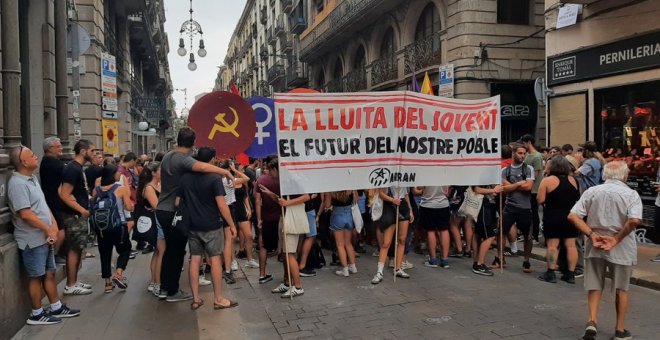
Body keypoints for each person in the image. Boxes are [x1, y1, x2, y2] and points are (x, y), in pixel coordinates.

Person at [155, 127, 231, 302]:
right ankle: (171, 290)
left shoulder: (167, 156)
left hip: (162, 209)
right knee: (176, 252)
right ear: (193, 142)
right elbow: (203, 167)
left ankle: (165, 288)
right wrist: (224, 171)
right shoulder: (183, 159)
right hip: (174, 212)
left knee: (170, 251)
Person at [568, 161, 642, 340]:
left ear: (604, 175)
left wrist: (591, 234)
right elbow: (634, 220)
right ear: (625, 176)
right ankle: (619, 329)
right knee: (621, 288)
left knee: (594, 284)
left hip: (596, 243)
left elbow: (573, 215)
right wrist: (616, 238)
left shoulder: (592, 191)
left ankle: (592, 321)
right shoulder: (631, 194)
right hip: (621, 246)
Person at [8, 145, 80, 325]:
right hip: (32, 239)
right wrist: (47, 228)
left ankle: (56, 306)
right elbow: (25, 214)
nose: (36, 157)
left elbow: (43, 206)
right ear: (23, 161)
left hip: (45, 236)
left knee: (49, 272)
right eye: (32, 155)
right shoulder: (17, 184)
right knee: (36, 276)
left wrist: (53, 225)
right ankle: (37, 313)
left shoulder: (32, 179)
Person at [178, 147, 238, 310]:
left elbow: (178, 202)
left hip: (192, 225)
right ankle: (218, 298)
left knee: (195, 259)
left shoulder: (185, 178)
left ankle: (196, 299)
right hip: (211, 224)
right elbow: (221, 204)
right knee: (215, 259)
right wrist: (232, 224)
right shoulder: (214, 178)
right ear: (211, 159)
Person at [58, 139, 95, 295]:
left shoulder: (77, 168)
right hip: (74, 216)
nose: (94, 154)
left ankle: (74, 281)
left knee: (78, 248)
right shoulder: (73, 169)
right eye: (92, 151)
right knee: (74, 249)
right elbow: (64, 193)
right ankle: (70, 284)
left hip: (77, 214)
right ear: (83, 151)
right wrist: (81, 210)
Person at [537, 156, 581, 284]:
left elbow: (540, 200)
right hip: (570, 216)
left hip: (553, 216)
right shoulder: (574, 180)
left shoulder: (547, 180)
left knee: (552, 246)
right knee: (571, 245)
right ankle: (570, 274)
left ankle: (550, 272)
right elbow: (578, 197)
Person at [90, 165, 134, 293]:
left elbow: (93, 206)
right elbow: (128, 208)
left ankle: (108, 284)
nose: (119, 174)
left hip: (101, 228)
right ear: (113, 175)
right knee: (125, 250)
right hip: (118, 226)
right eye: (117, 173)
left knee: (105, 253)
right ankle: (118, 274)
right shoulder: (120, 189)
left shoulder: (96, 190)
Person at [495, 142, 535, 272]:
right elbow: (504, 188)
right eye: (520, 153)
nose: (522, 156)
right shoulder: (505, 170)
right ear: (513, 153)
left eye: (524, 153)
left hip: (525, 208)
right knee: (501, 232)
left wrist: (512, 186)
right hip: (509, 207)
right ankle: (501, 258)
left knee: (527, 236)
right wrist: (520, 184)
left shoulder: (528, 169)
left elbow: (528, 187)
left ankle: (526, 261)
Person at [270, 194, 311, 298]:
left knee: (289, 252)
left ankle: (297, 287)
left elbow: (306, 196)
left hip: (291, 219)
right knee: (286, 252)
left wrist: (287, 203)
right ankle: (289, 283)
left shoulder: (293, 180)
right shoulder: (288, 181)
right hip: (287, 218)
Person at [371, 186, 413, 283]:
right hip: (390, 207)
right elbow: (380, 193)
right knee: (386, 242)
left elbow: (406, 194)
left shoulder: (404, 175)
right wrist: (392, 200)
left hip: (403, 206)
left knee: (402, 239)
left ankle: (398, 268)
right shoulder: (387, 174)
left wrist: (410, 210)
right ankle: (379, 272)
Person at [136, 162, 165, 295]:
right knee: (160, 252)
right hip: (155, 222)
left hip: (158, 222)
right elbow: (157, 206)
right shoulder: (149, 188)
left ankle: (154, 281)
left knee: (157, 252)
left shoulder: (158, 185)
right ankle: (157, 283)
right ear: (154, 173)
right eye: (160, 170)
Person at [255, 159, 282, 284]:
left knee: (263, 247)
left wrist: (259, 219)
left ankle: (262, 274)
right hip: (281, 217)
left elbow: (258, 202)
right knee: (284, 247)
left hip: (266, 217)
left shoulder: (261, 181)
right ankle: (287, 276)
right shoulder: (283, 180)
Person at [39, 137, 66, 262]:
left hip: (52, 200)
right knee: (60, 229)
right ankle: (54, 255)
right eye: (58, 146)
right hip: (54, 201)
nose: (61, 148)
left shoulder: (47, 161)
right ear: (50, 149)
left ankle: (55, 254)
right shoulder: (54, 163)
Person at [325, 190, 359, 278]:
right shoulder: (350, 188)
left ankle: (345, 269)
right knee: (348, 243)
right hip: (349, 215)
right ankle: (353, 266)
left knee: (340, 245)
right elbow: (357, 199)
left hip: (337, 215)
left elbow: (327, 205)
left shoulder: (331, 190)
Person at [471, 185, 502, 276]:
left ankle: (477, 262)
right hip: (484, 205)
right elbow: (476, 189)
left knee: (478, 234)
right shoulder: (482, 172)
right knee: (490, 235)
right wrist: (494, 189)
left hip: (487, 204)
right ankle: (479, 264)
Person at [419, 186, 451, 268]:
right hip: (443, 203)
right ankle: (445, 259)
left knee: (430, 231)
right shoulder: (445, 173)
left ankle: (433, 259)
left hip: (428, 203)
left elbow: (420, 187)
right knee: (444, 230)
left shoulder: (426, 173)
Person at [520, 134, 544, 243]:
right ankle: (526, 233)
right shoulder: (527, 155)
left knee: (534, 212)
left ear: (529, 142)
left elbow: (537, 173)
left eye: (524, 143)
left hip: (534, 189)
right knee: (527, 212)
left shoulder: (537, 156)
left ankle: (535, 235)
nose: (523, 145)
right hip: (527, 188)